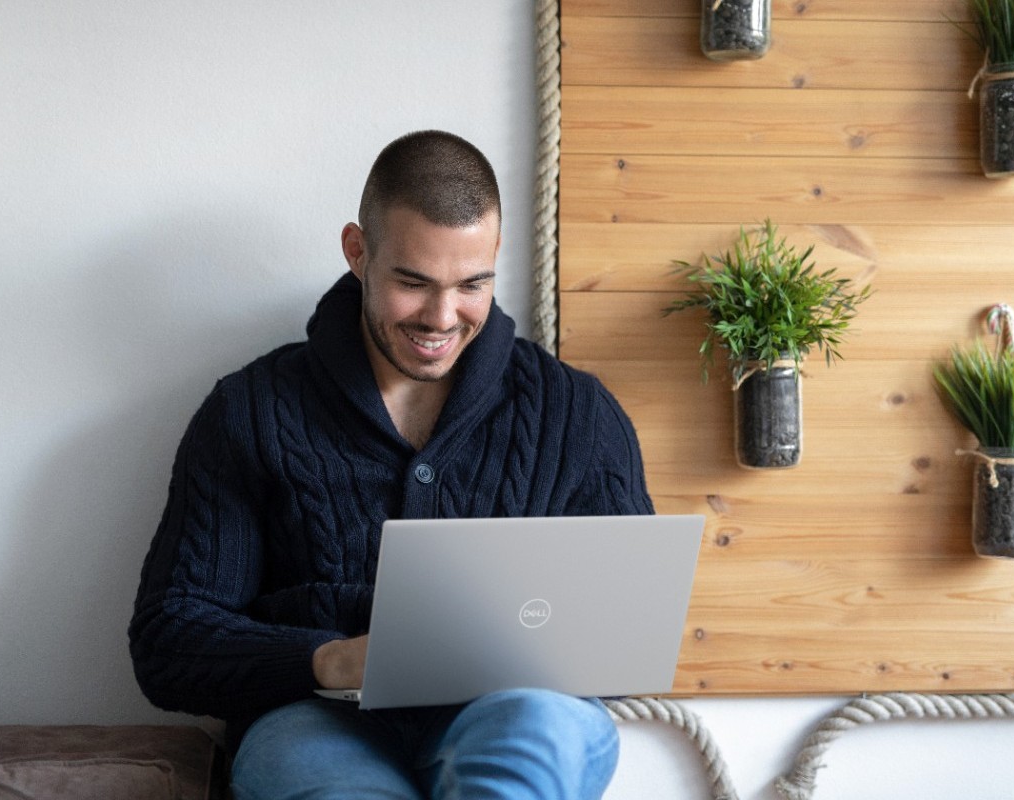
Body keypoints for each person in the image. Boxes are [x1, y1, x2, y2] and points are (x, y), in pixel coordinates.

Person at [128, 130, 654, 800]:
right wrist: (327, 659)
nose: (442, 317)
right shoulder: (251, 410)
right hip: (311, 721)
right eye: (413, 283)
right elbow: (169, 640)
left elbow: (624, 638)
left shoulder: (576, 411)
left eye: (473, 284)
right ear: (357, 252)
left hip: (513, 713)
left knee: (535, 733)